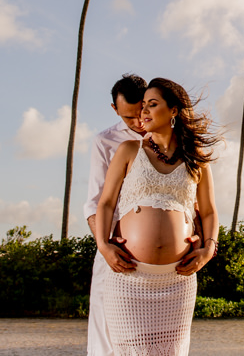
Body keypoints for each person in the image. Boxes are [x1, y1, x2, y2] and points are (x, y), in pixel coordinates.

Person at [93, 77, 220, 356]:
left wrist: (208, 251)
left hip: (178, 279)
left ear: (173, 110)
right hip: (129, 277)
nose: (144, 113)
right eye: (143, 107)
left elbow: (209, 211)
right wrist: (104, 245)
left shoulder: (195, 159)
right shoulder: (129, 150)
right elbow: (104, 204)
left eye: (152, 104)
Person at [85, 74, 148, 356]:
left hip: (163, 266)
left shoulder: (173, 139)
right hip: (115, 253)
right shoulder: (105, 141)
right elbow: (95, 203)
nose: (137, 123)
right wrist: (104, 248)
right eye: (128, 117)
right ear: (114, 110)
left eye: (141, 113)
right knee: (107, 339)